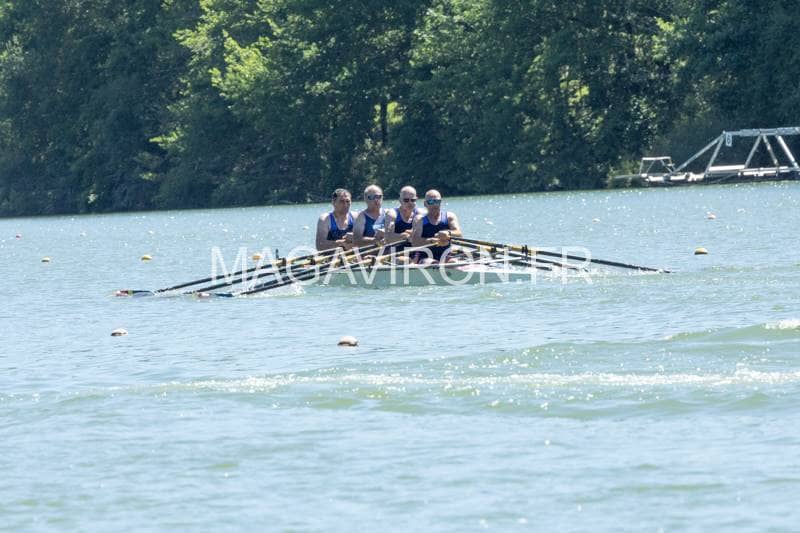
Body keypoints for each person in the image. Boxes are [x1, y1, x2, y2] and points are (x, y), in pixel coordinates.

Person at [411, 189, 463, 262]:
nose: (434, 205)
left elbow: (459, 234)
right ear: (425, 204)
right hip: (425, 256)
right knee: (431, 262)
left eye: (437, 202)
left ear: (440, 202)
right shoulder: (419, 219)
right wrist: (430, 241)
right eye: (431, 202)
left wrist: (448, 233)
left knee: (454, 262)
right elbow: (415, 242)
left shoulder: (450, 216)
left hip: (446, 254)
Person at [383, 185, 421, 253]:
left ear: (416, 199)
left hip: (413, 251)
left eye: (413, 200)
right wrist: (404, 236)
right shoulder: (392, 214)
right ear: (400, 200)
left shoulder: (420, 213)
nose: (410, 203)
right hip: (395, 251)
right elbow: (387, 237)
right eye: (406, 200)